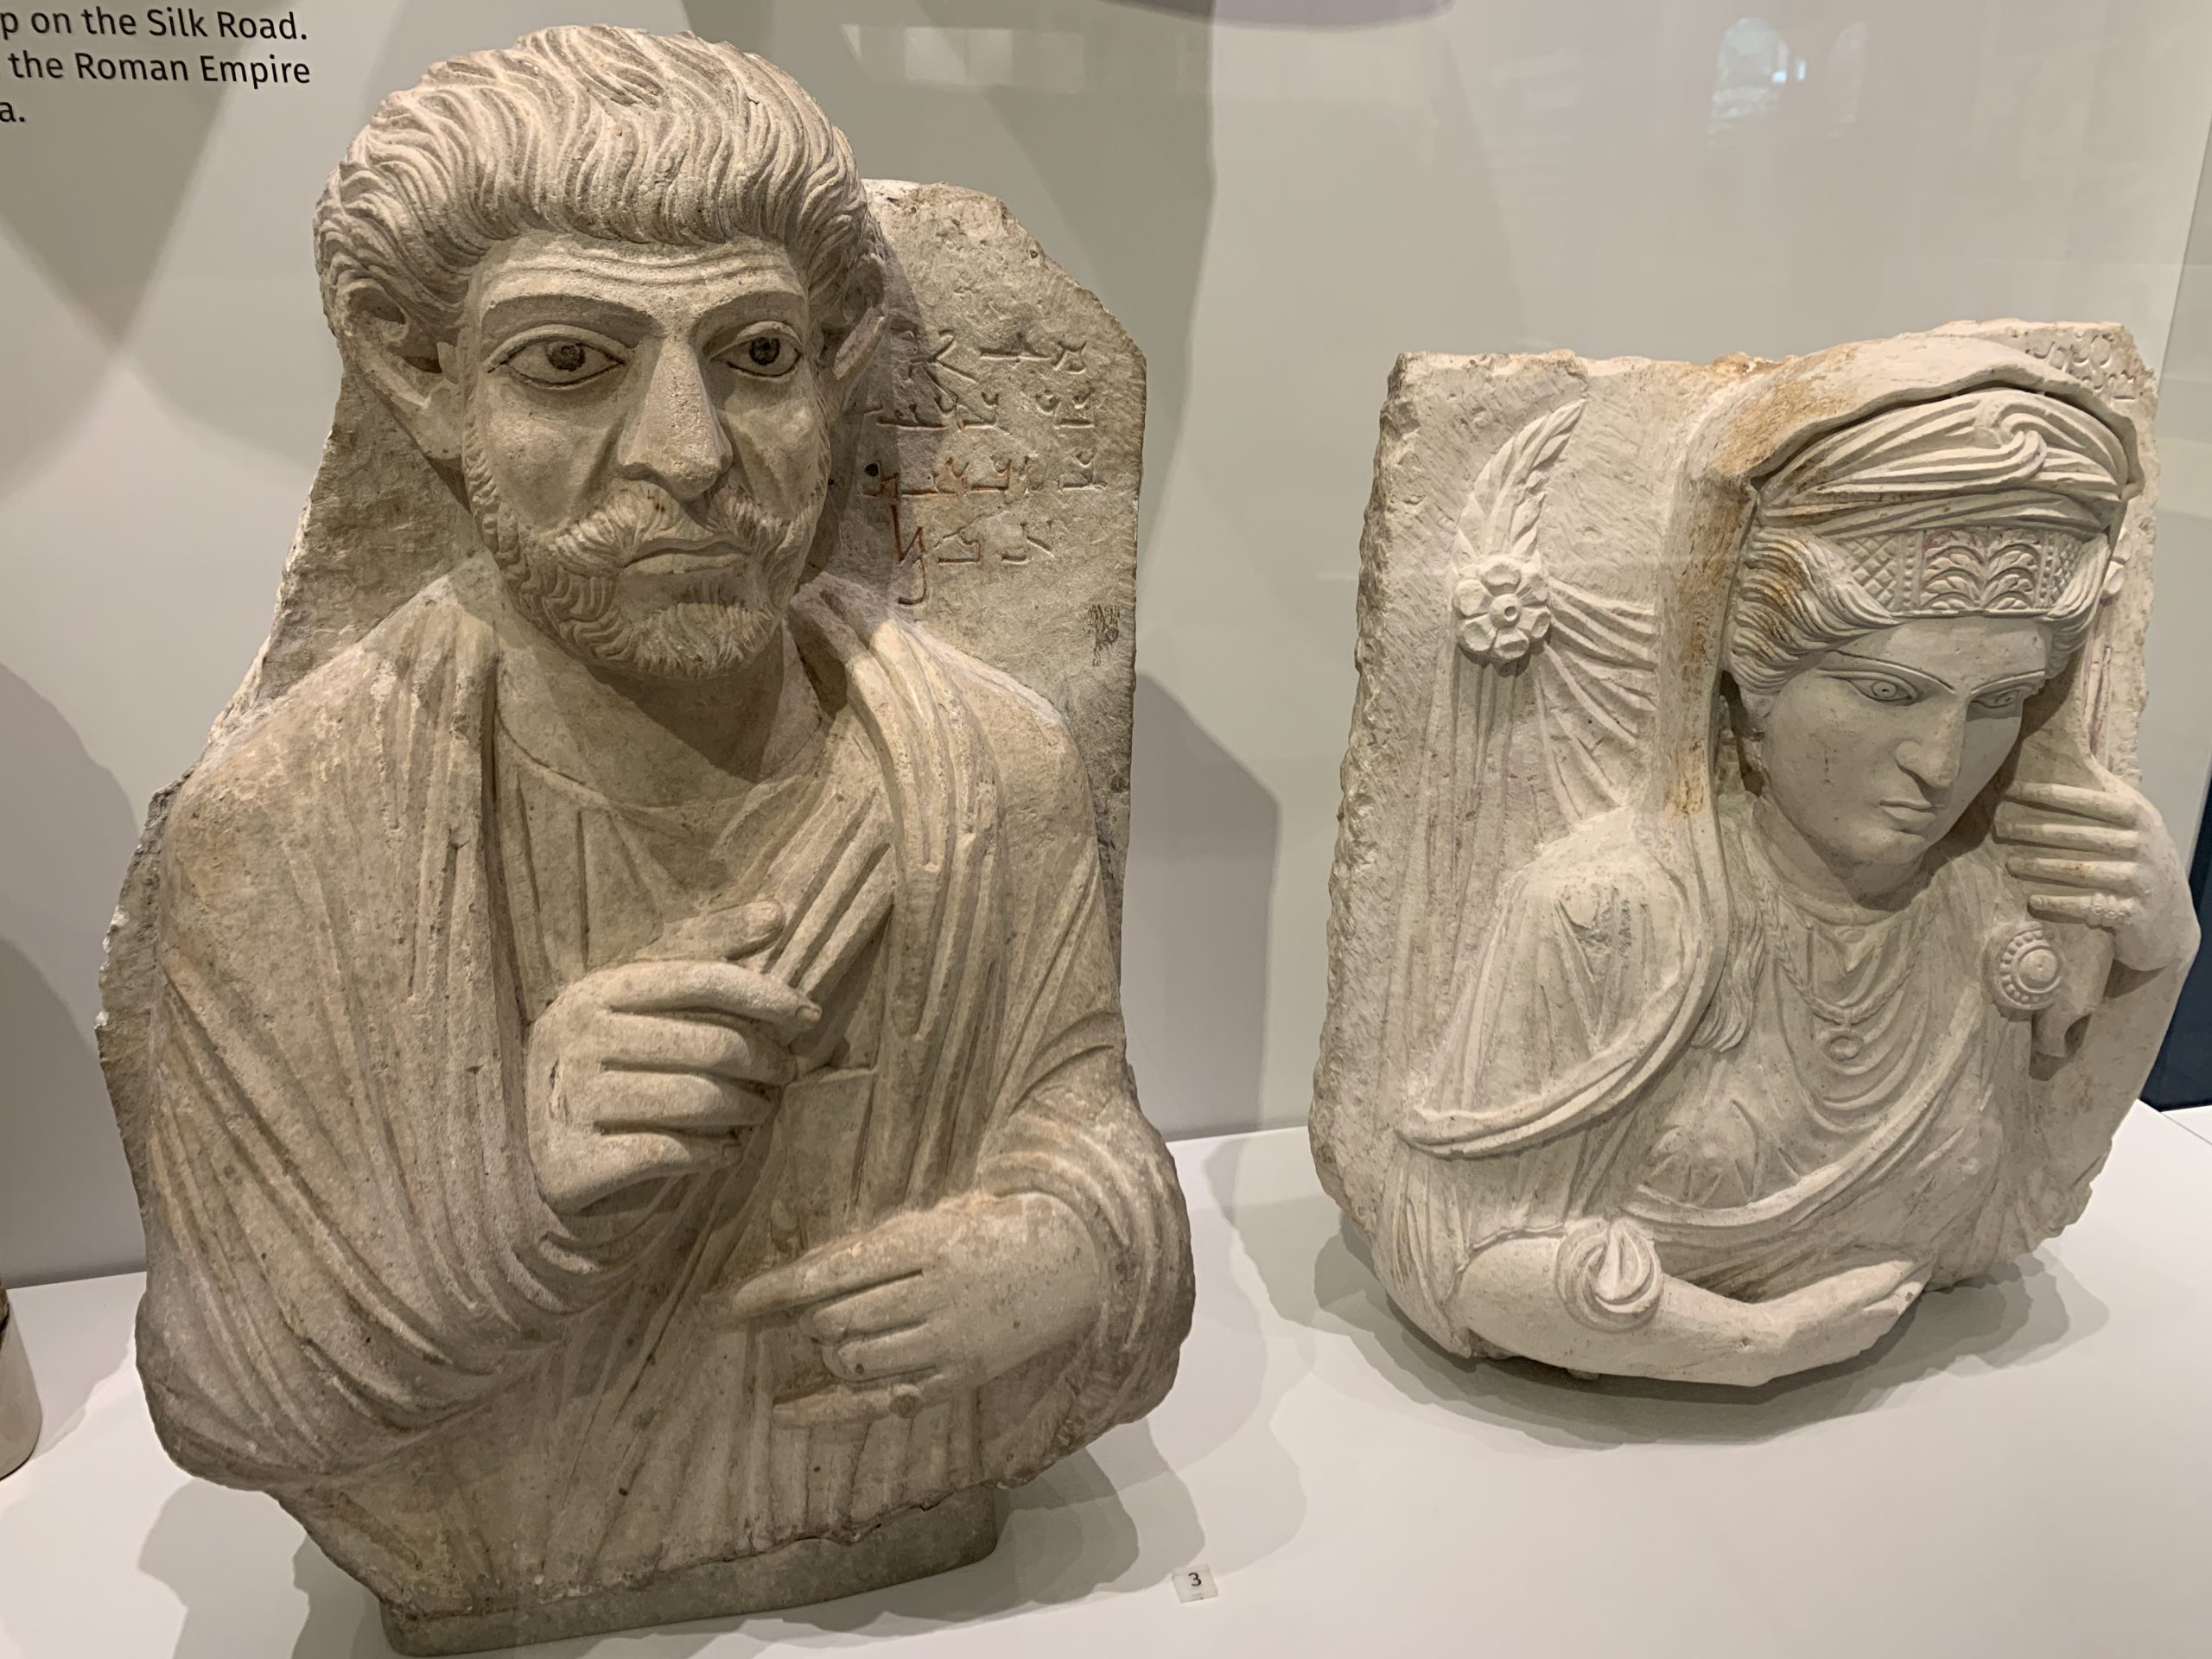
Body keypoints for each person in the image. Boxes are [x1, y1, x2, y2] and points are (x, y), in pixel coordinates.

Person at [115, 27, 1190, 1636]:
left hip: (910, 1502)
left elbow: (1077, 1126)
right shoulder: (292, 830)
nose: (687, 452)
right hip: (486, 1551)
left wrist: (1066, 1252)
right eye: (570, 362)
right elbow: (228, 1393)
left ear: (837, 371)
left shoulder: (978, 764)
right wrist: (513, 1208)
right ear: (424, 382)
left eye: (755, 354)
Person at [1379, 338, 2196, 1387]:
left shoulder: (1983, 912)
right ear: (1752, 685)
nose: (1940, 761)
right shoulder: (1611, 912)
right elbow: (1448, 1250)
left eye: (1996, 701)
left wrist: (2159, 955)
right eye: (1888, 692)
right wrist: (1749, 1346)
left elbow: (2015, 1211)